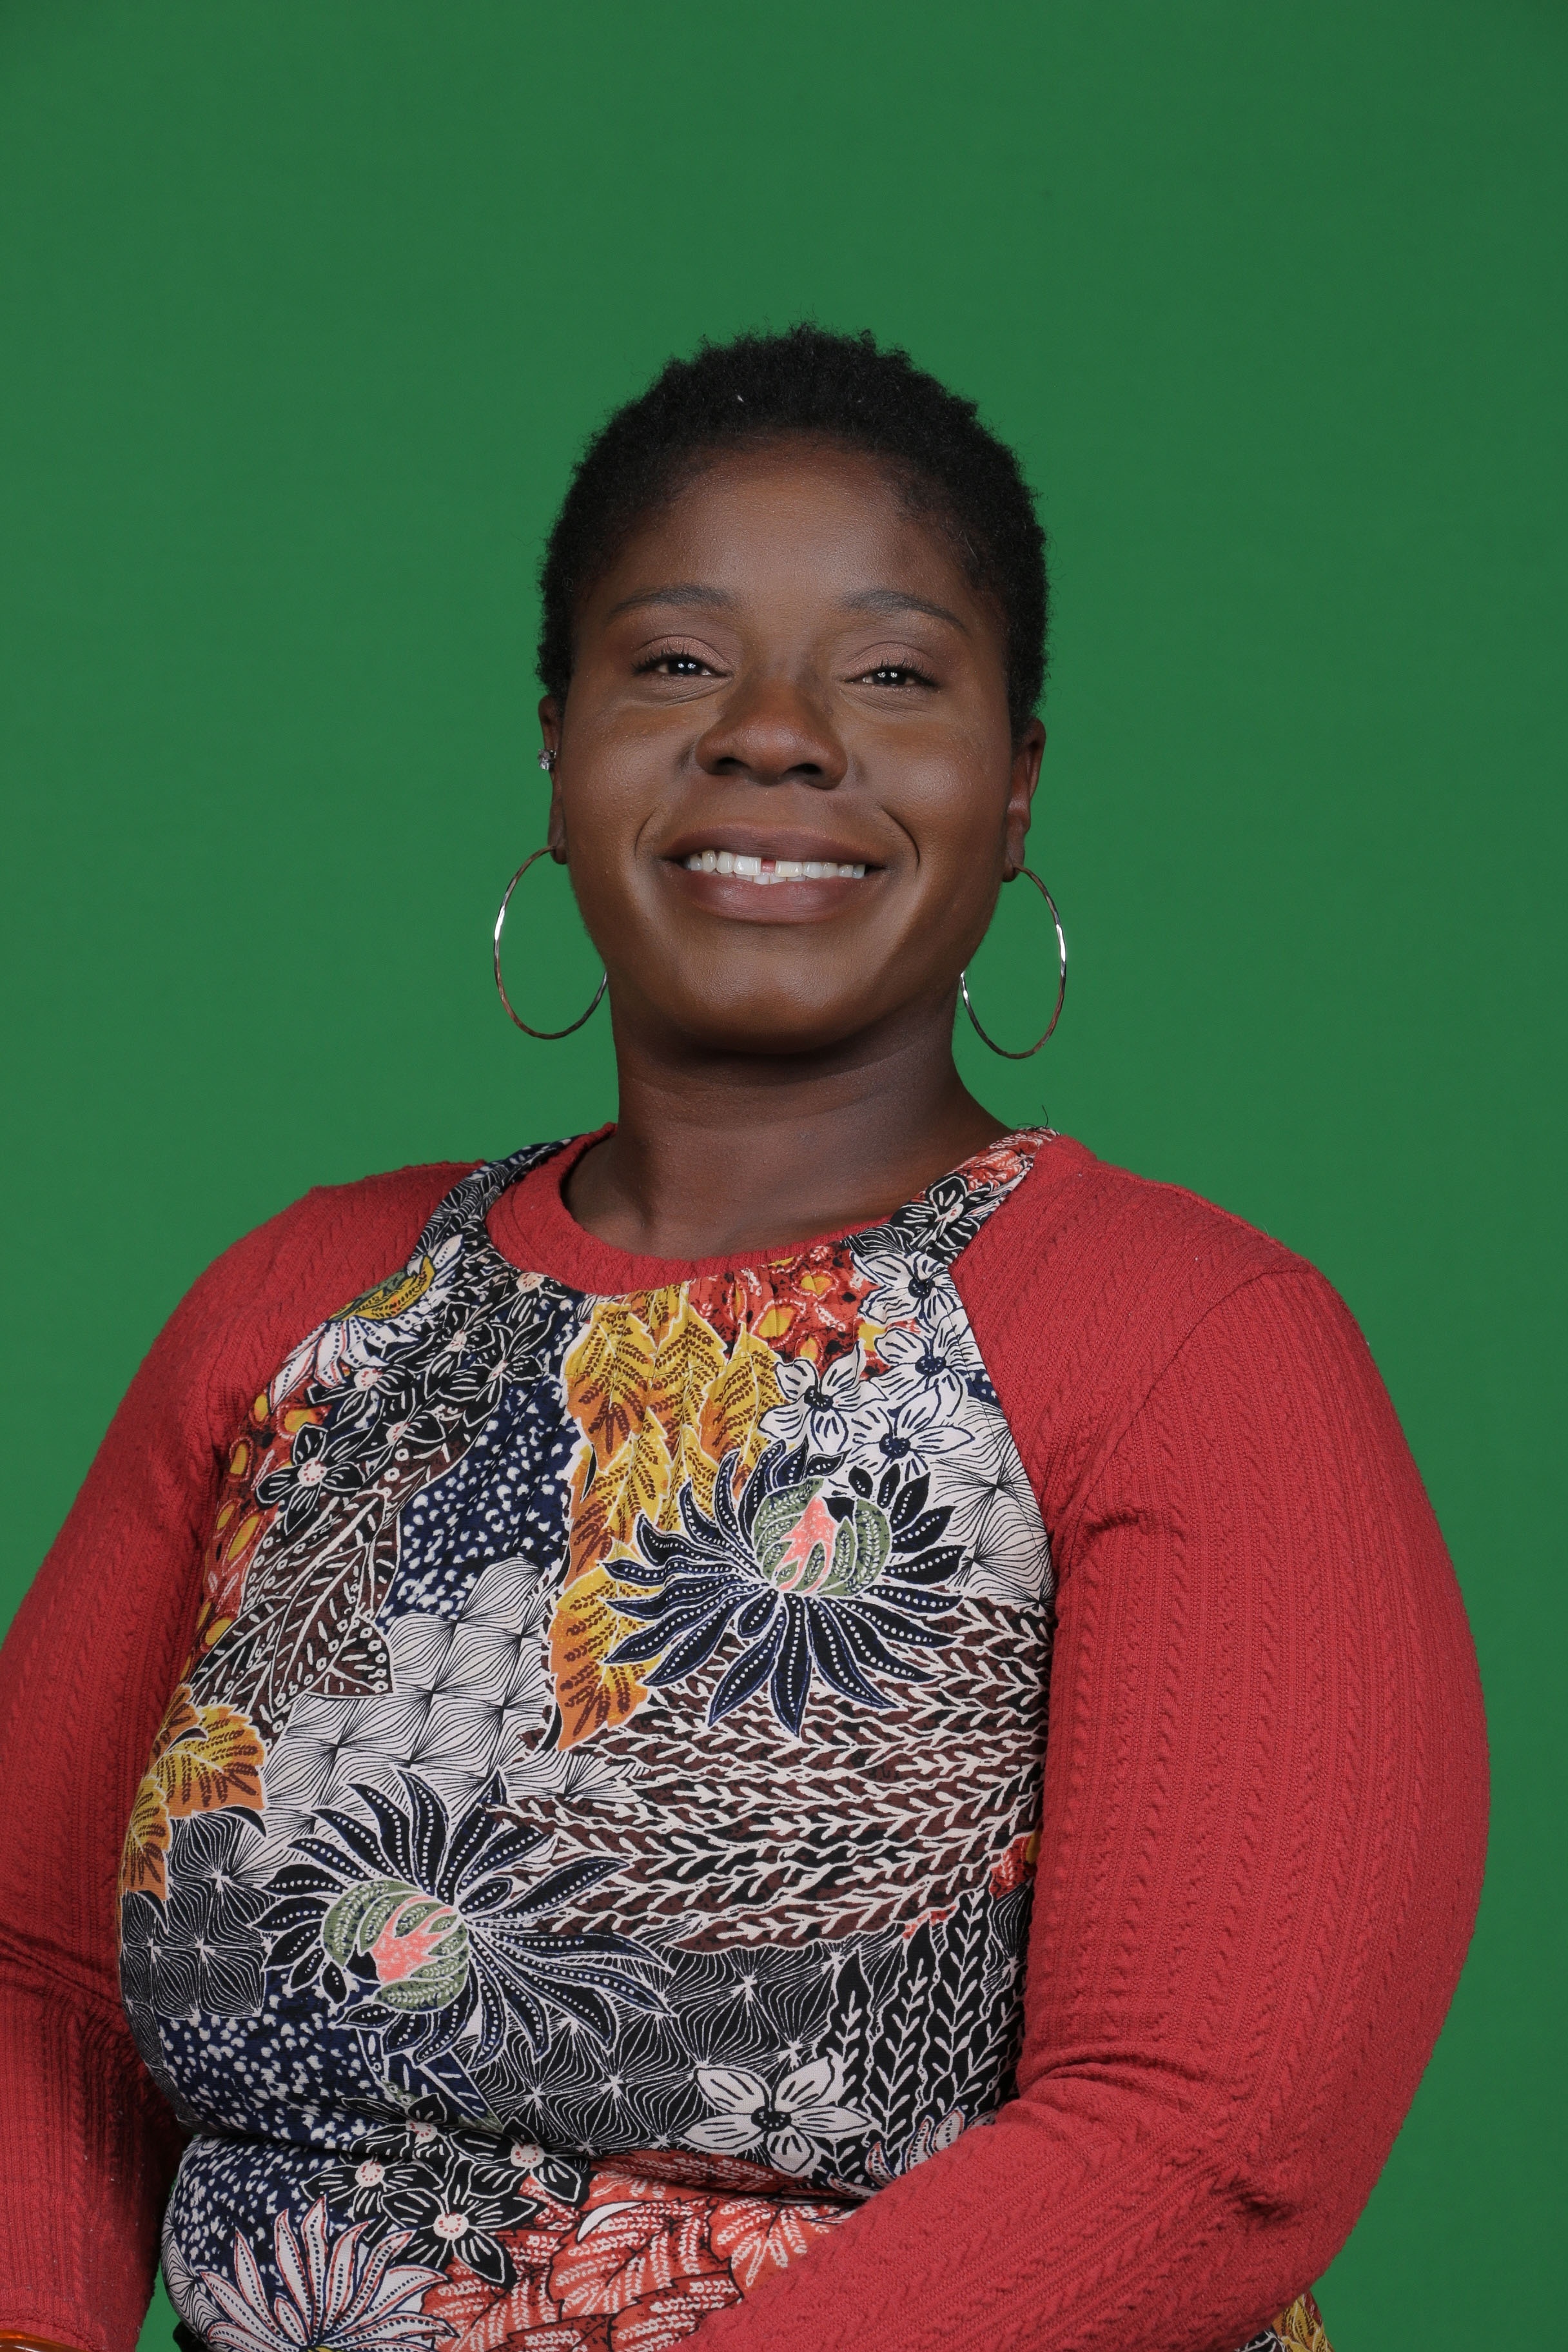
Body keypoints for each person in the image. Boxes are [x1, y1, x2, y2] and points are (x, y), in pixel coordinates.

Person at [0, 326, 1486, 2352]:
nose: (773, 737)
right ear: (558, 750)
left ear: (1018, 781)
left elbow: (1211, 2142)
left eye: (893, 675)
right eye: (679, 662)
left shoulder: (1197, 1347)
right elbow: (35, 1976)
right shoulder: (300, 1311)